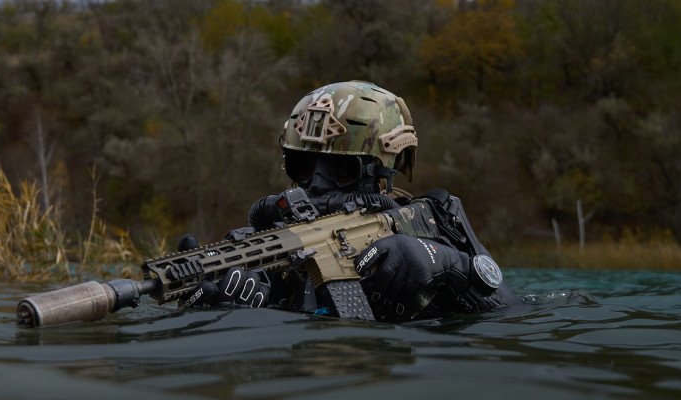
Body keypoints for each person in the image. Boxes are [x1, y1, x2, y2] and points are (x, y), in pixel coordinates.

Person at [180, 81, 516, 322]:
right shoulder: (269, 245)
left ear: (383, 172)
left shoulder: (431, 220)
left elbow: (507, 313)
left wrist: (447, 266)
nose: (317, 185)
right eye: (303, 167)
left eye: (341, 169)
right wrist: (216, 311)